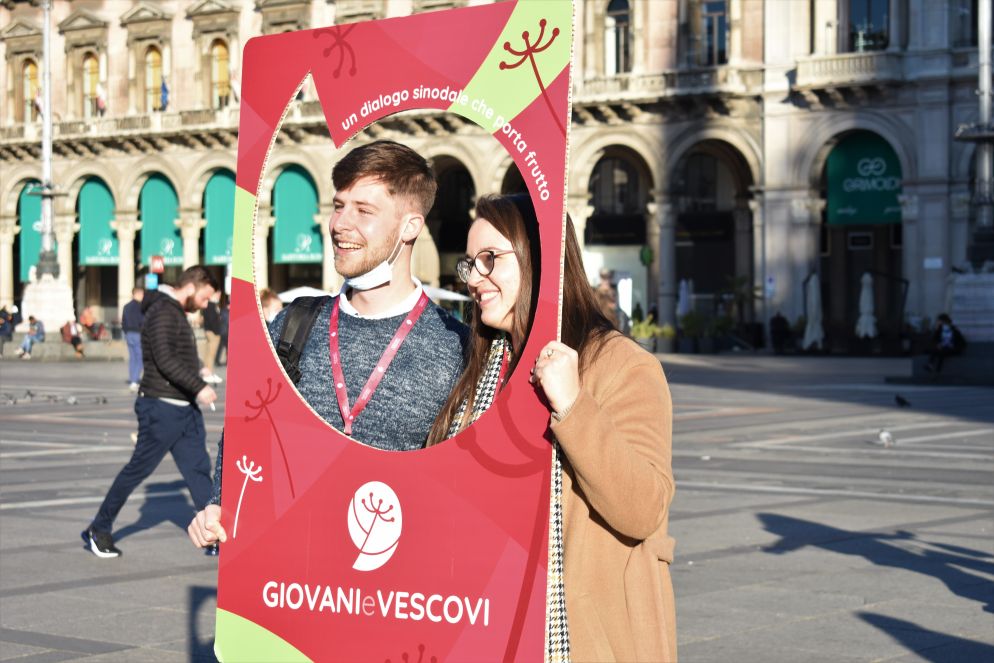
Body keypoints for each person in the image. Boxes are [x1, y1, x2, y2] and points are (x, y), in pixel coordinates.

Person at [426, 194, 677, 661]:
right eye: (468, 265)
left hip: (580, 637)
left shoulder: (622, 365)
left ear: (540, 261)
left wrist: (573, 405)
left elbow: (643, 508)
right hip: (484, 624)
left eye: (489, 260)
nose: (474, 279)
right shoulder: (482, 370)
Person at [188, 139, 468, 549]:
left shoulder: (455, 347)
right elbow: (248, 430)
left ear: (411, 226)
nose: (339, 224)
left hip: (391, 591)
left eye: (364, 210)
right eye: (339, 206)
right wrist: (220, 503)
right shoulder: (294, 322)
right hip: (292, 582)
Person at [83, 265, 220, 558]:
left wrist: (200, 367)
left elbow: (179, 353)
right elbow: (164, 358)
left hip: (184, 409)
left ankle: (212, 536)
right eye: (206, 298)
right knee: (137, 470)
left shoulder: (174, 312)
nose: (205, 305)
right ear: (193, 287)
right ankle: (98, 529)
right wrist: (199, 386)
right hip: (160, 407)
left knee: (198, 472)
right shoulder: (161, 310)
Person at [122, 287, 145, 391]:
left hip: (129, 334)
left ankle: (132, 379)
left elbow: (123, 322)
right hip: (138, 333)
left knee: (132, 358)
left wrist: (126, 332)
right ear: (138, 294)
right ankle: (135, 380)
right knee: (140, 357)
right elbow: (142, 321)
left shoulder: (126, 306)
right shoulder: (140, 307)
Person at [200, 290, 223, 384]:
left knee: (208, 352)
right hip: (213, 332)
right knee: (211, 353)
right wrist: (217, 331)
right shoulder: (211, 305)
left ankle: (207, 372)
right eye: (218, 294)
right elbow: (212, 320)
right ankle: (208, 373)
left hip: (209, 331)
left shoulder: (209, 305)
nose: (219, 296)